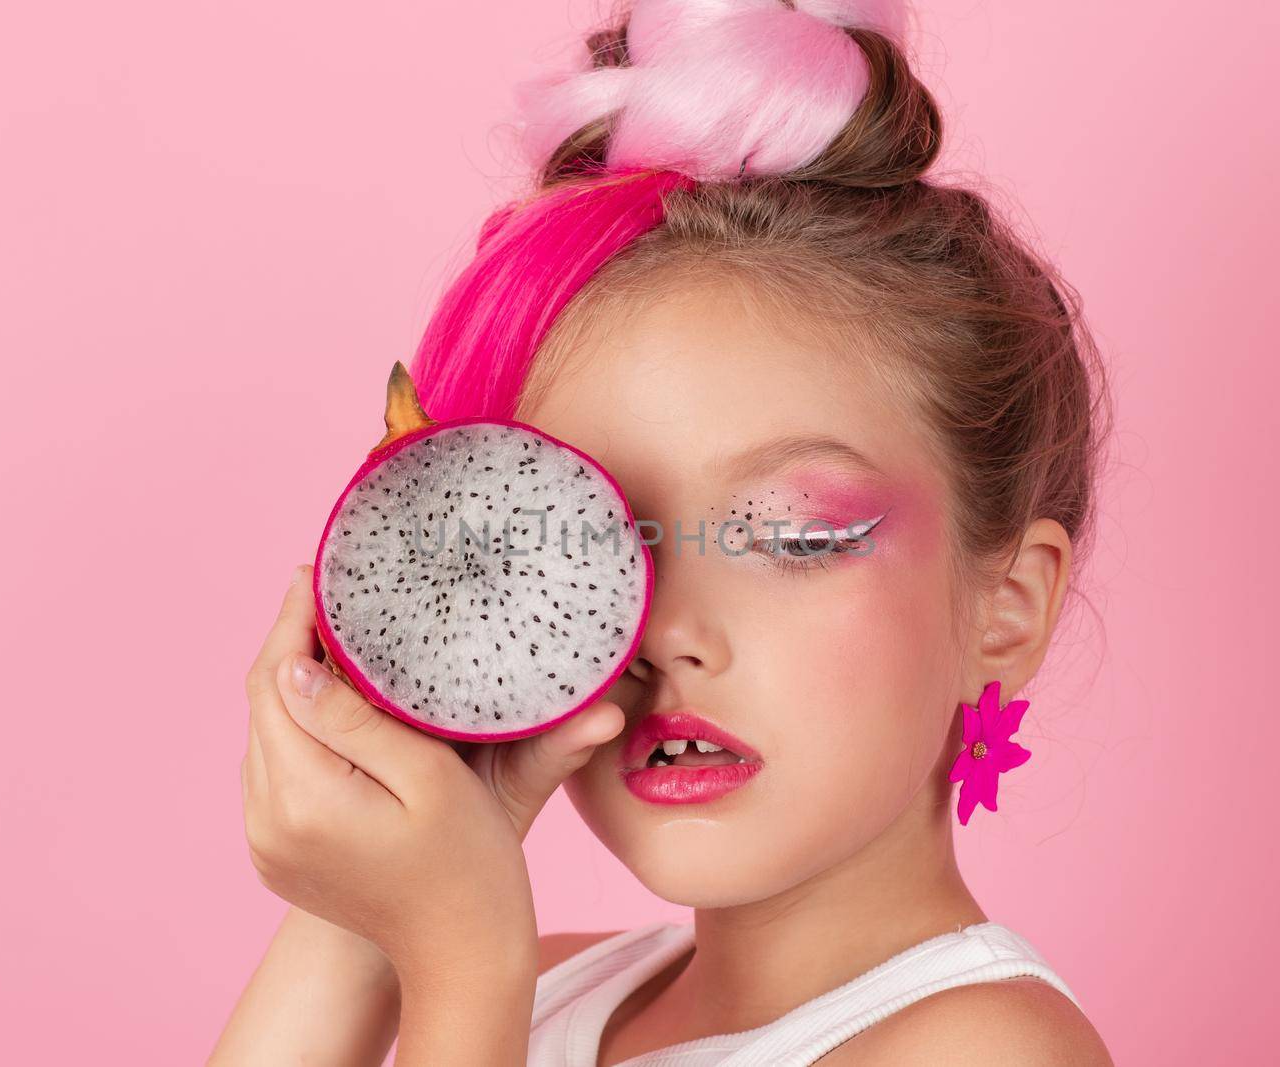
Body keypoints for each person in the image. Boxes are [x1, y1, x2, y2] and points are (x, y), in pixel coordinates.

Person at [212, 1, 1114, 1063]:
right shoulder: (546, 983)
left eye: (791, 537)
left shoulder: (983, 1048)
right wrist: (362, 890)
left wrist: (458, 958)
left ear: (1002, 607)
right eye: (592, 546)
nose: (660, 628)